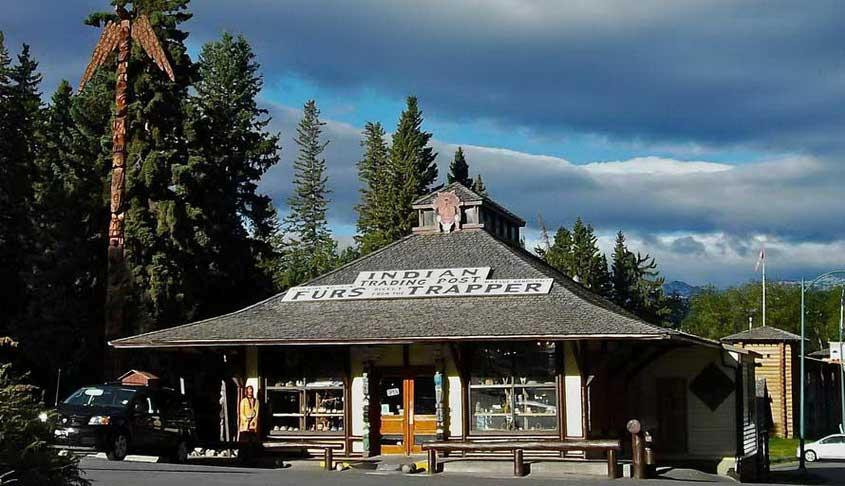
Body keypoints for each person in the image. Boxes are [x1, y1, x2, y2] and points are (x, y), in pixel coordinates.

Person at [238, 385, 260, 462]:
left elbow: (256, 413)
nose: (250, 391)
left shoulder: (256, 401)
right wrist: (246, 419)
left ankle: (252, 457)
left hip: (253, 425)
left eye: (252, 390)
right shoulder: (243, 401)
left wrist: (253, 420)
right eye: (249, 390)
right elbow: (241, 413)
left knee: (252, 442)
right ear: (246, 391)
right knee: (244, 441)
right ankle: (242, 457)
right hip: (245, 425)